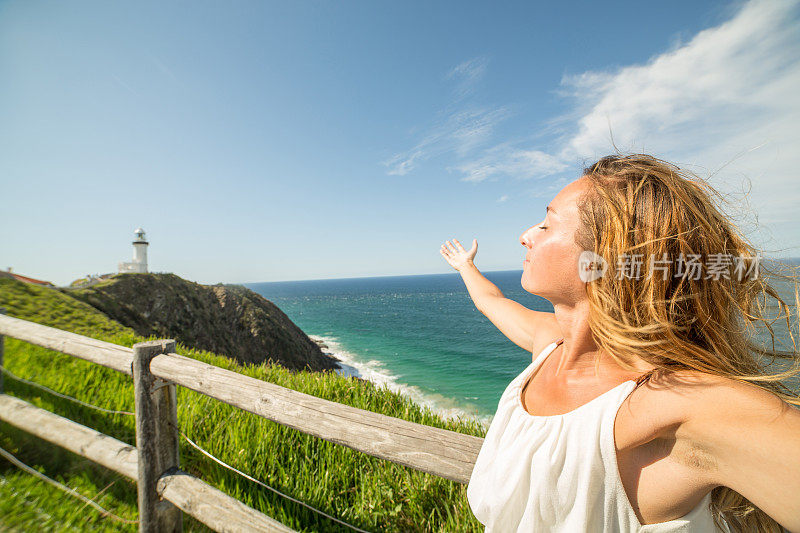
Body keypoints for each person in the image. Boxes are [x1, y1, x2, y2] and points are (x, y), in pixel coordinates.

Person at [439, 153, 800, 533]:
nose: (525, 235)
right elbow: (492, 301)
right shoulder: (549, 346)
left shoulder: (683, 404)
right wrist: (466, 266)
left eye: (546, 225)